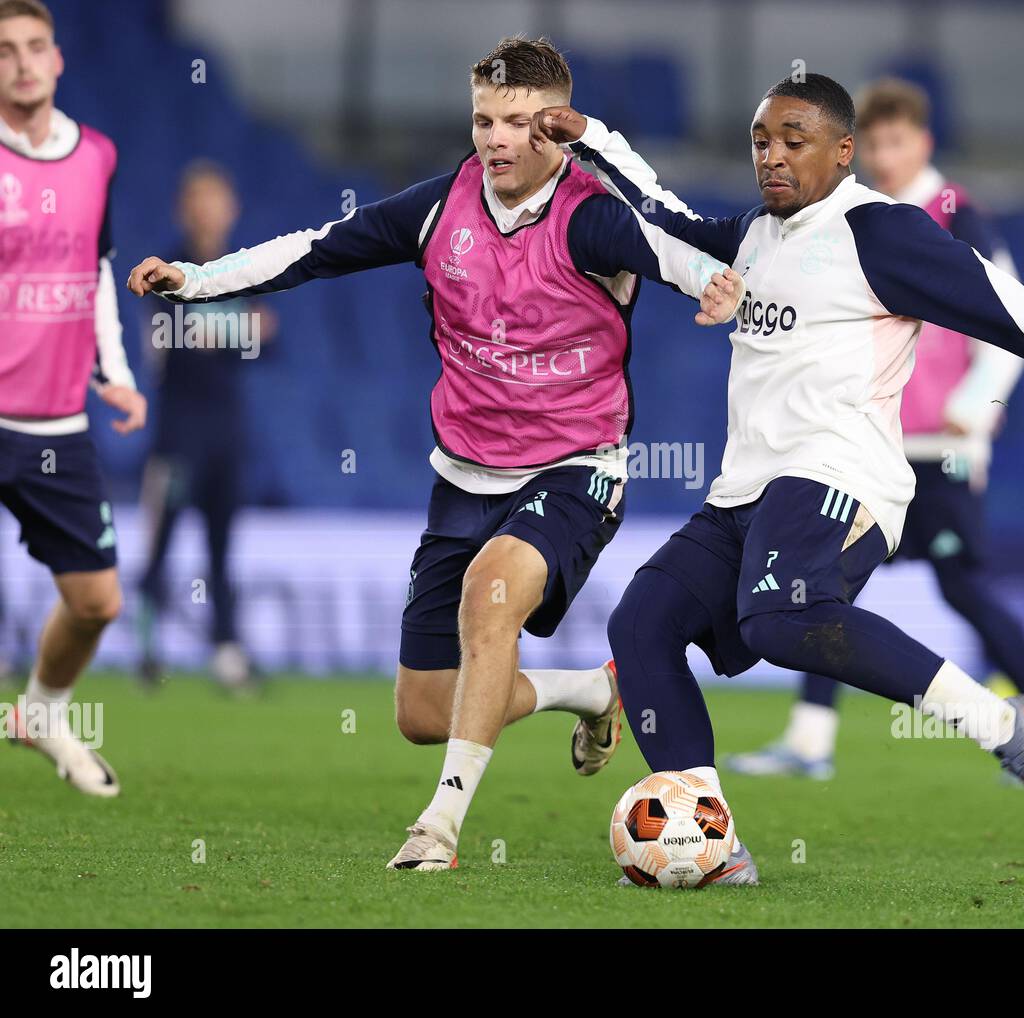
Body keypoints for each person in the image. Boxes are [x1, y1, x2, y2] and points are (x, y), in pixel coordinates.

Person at [127, 36, 745, 873]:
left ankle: (439, 830)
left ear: (556, 130)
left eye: (519, 122)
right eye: (484, 118)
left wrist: (718, 283)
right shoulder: (437, 208)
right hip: (462, 477)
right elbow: (315, 249)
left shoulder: (593, 217)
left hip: (574, 470)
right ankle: (593, 690)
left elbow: (684, 250)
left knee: (492, 605)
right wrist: (197, 281)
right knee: (423, 712)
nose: (495, 137)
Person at [534, 72, 1024, 884]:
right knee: (642, 626)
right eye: (761, 140)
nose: (772, 156)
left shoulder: (881, 231)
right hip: (746, 488)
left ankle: (1010, 731)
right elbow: (659, 214)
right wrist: (589, 135)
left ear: (843, 152)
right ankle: (712, 842)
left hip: (842, 475)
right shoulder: (756, 237)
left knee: (778, 619)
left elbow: (1017, 311)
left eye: (793, 141)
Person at [725, 77, 1024, 781]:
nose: (886, 155)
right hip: (863, 444)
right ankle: (810, 742)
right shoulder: (854, 214)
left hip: (940, 445)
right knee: (820, 596)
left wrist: (976, 402)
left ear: (924, 143)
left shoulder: (953, 214)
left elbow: (1010, 314)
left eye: (897, 142)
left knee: (961, 585)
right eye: (875, 143)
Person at [0, 0, 147, 796]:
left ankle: (40, 710)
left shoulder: (96, 155)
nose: (21, 62)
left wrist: (113, 371)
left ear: (57, 60)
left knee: (96, 602)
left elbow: (96, 269)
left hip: (57, 420)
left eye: (34, 47)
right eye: (4, 51)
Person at [135, 161, 267, 690]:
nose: (209, 212)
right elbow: (173, 339)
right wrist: (236, 330)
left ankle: (225, 649)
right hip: (177, 431)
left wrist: (222, 331)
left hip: (227, 428)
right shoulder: (165, 268)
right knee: (162, 540)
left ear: (231, 208)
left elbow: (268, 340)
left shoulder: (245, 268)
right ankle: (146, 650)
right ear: (184, 208)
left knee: (221, 544)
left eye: (217, 200)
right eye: (199, 201)